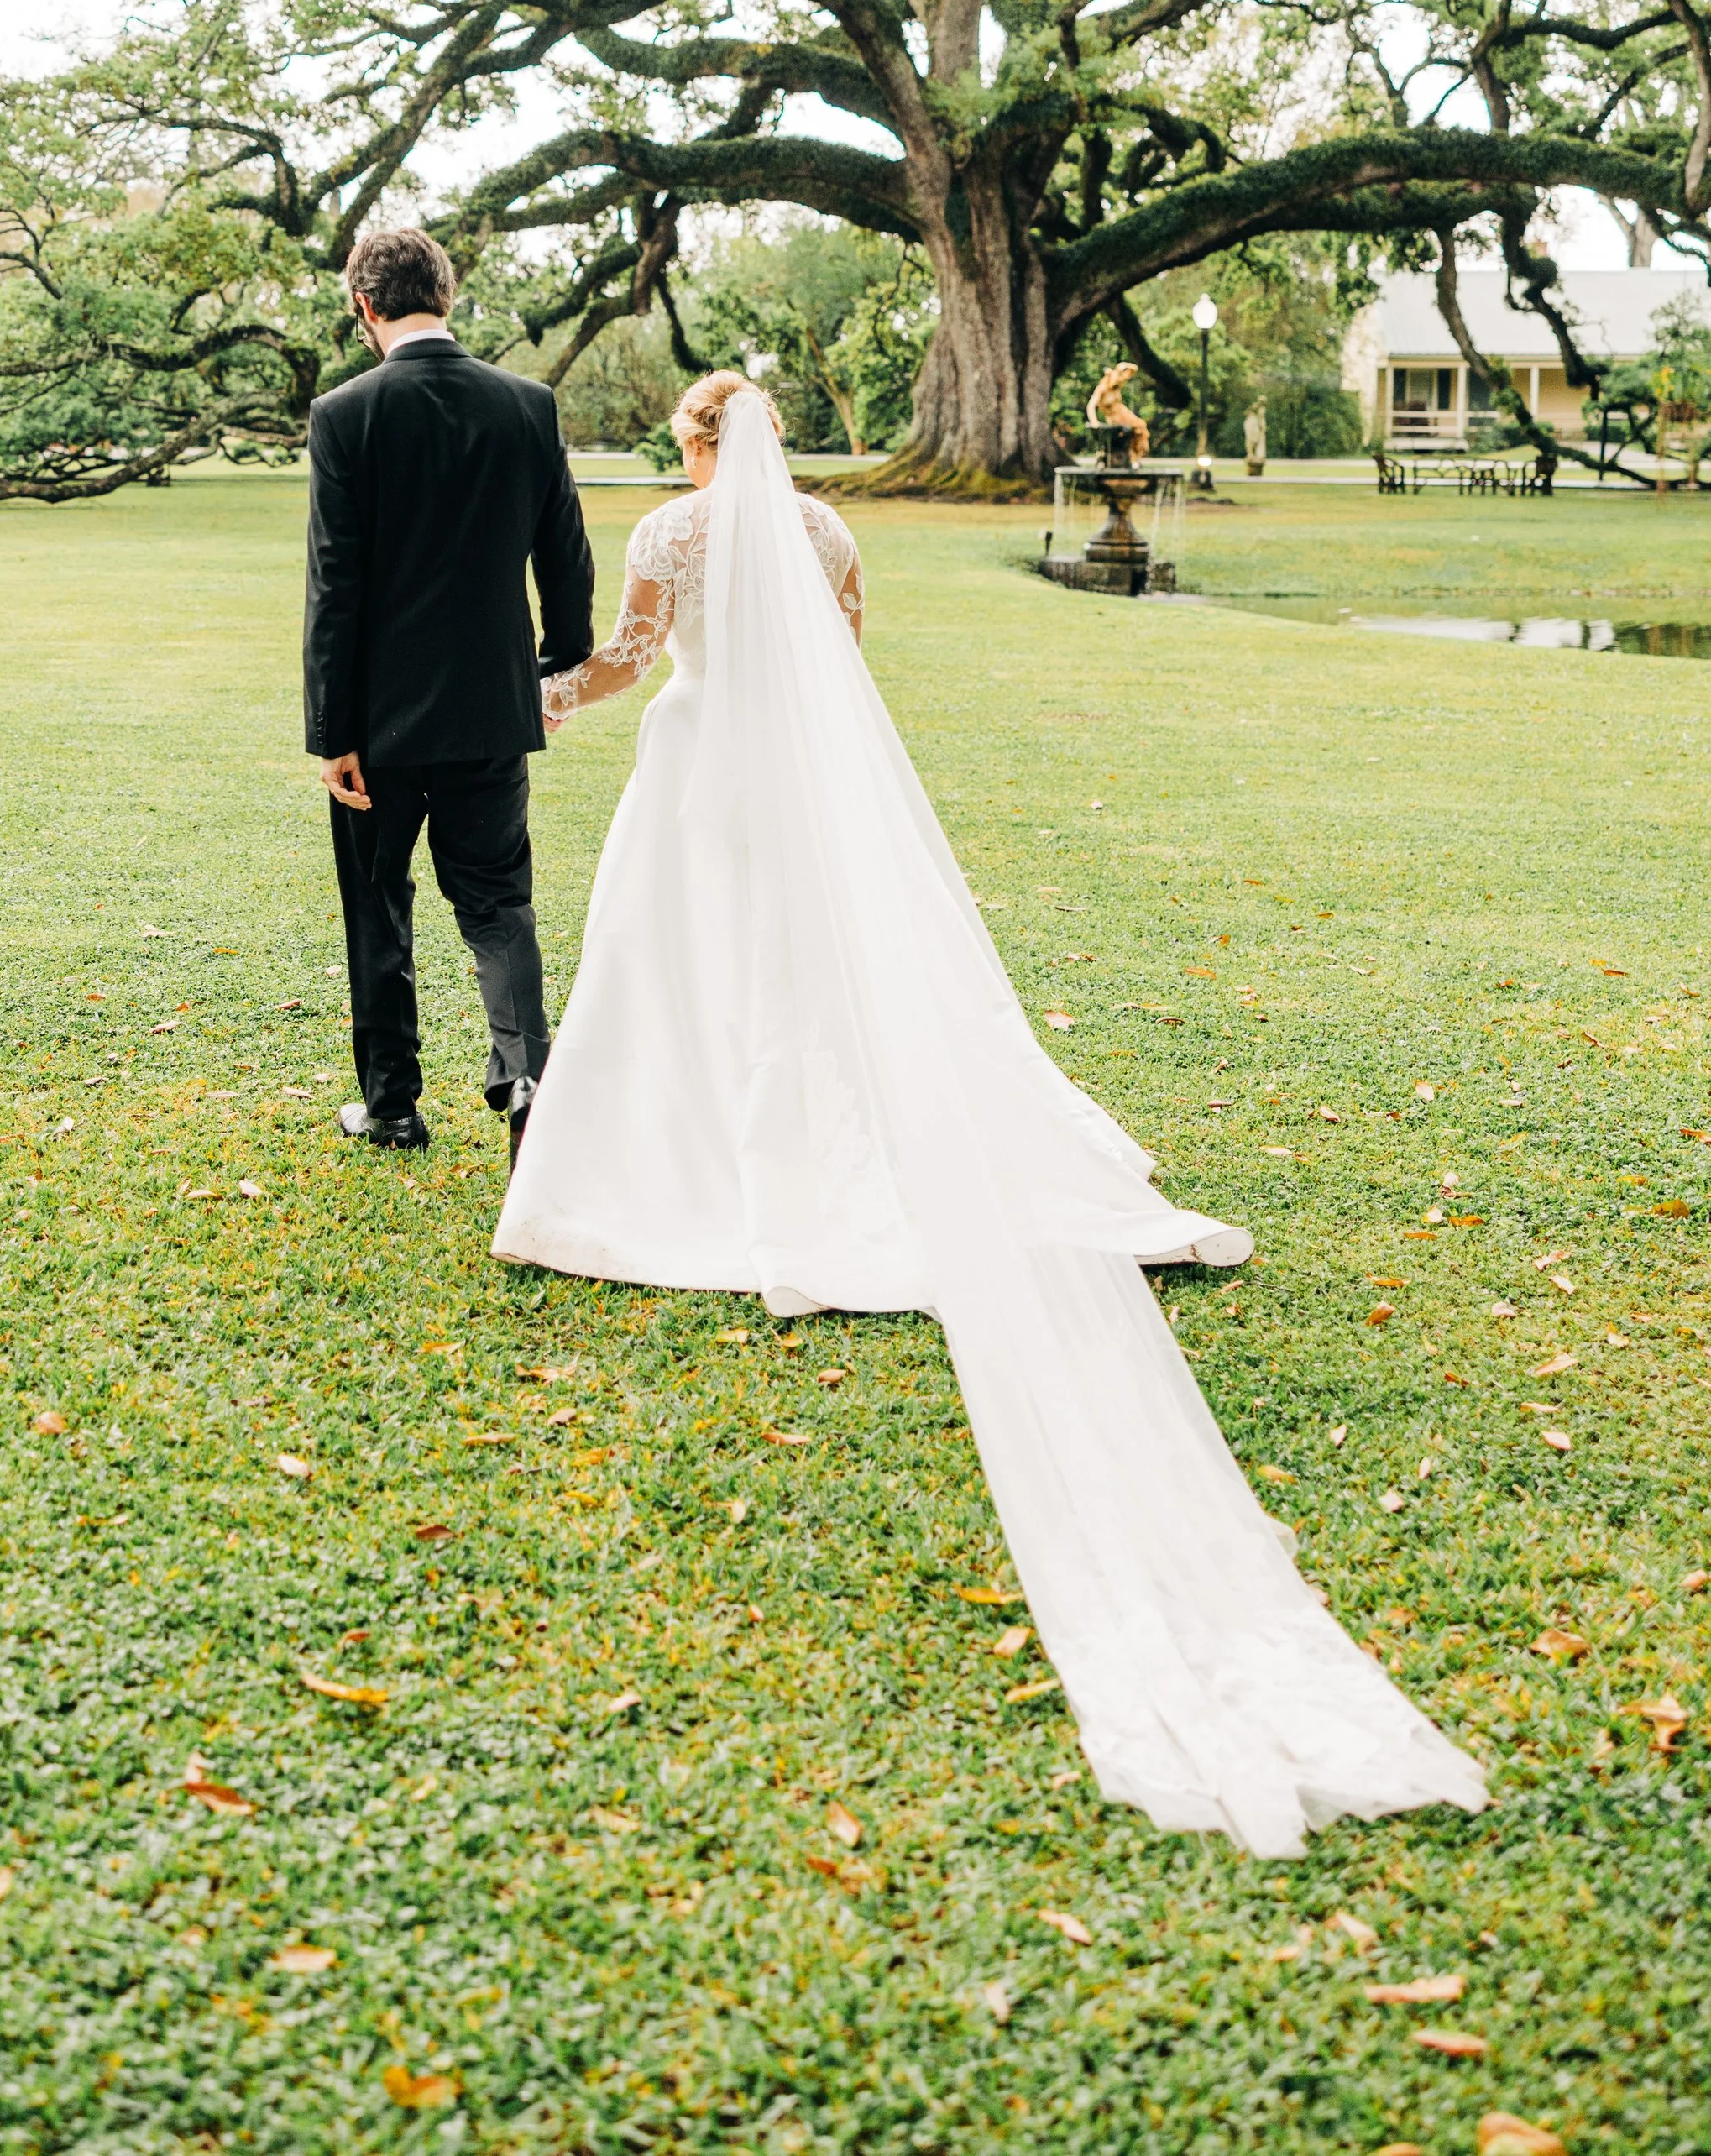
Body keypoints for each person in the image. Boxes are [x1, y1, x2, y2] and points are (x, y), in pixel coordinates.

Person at [496, 370, 1487, 1859]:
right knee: (812, 970)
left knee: (688, 964)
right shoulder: (827, 531)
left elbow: (633, 661)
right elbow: (841, 661)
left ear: (701, 445)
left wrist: (536, 696)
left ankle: (692, 1151)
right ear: (773, 439)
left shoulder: (664, 534)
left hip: (702, 775)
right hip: (795, 785)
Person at [302, 228, 594, 1154]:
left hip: (378, 725)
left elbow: (334, 583)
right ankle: (526, 1081)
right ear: (448, 295)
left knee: (377, 901)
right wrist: (558, 659)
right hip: (489, 709)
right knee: (498, 904)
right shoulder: (527, 405)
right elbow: (567, 556)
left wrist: (329, 727)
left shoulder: (344, 413)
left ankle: (390, 1106)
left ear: (364, 306)